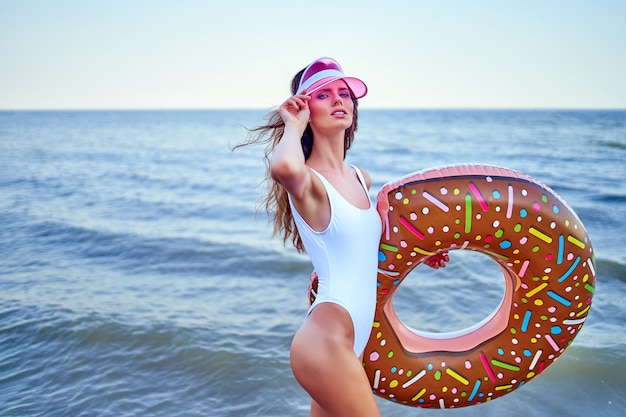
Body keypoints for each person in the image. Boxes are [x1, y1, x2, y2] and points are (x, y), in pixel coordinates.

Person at [241, 57, 448, 417]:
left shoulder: (360, 178)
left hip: (350, 343)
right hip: (326, 341)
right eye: (324, 94)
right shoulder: (309, 182)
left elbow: (361, 247)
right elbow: (283, 168)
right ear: (307, 109)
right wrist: (292, 124)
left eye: (345, 93)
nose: (339, 99)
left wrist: (420, 254)